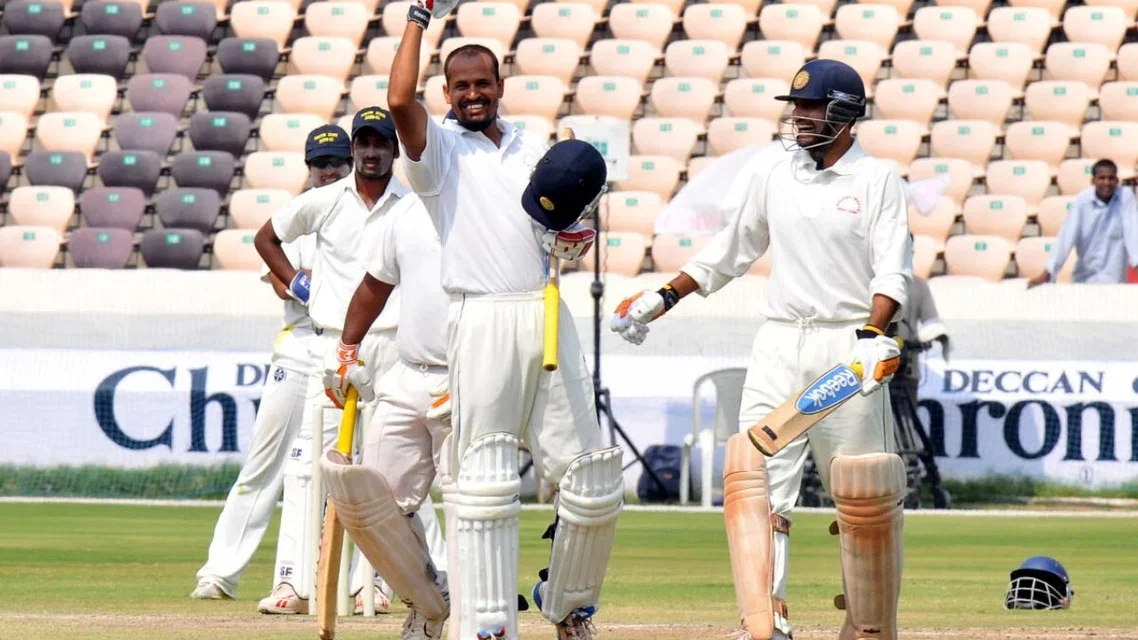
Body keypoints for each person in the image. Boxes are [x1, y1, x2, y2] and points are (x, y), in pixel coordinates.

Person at [611, 59, 912, 640]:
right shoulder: (775, 170)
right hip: (779, 339)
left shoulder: (876, 181)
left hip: (847, 349)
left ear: (845, 113)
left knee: (862, 493)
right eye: (795, 105)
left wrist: (874, 338)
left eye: (811, 106)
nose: (798, 116)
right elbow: (730, 251)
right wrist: (662, 297)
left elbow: (891, 272)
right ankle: (763, 622)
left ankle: (870, 626)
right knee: (753, 479)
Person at [387, 4, 624, 636]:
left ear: (499, 87)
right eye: (460, 86)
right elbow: (398, 97)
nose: (471, 95)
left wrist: (572, 237)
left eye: (482, 84)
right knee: (484, 483)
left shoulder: (532, 145)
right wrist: (418, 17)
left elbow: (556, 223)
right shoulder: (435, 154)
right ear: (447, 93)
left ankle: (568, 604)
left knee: (593, 477)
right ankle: (487, 623)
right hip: (481, 317)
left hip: (545, 310)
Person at [253, 108, 446, 616]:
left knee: (392, 474)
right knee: (307, 469)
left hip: (398, 348)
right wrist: (296, 282)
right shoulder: (323, 201)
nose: (373, 151)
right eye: (365, 142)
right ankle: (294, 585)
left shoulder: (416, 204)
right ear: (354, 148)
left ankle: (384, 583)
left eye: (383, 142)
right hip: (334, 345)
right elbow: (265, 238)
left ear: (395, 149)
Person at [190, 125, 353, 605]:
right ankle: (219, 573)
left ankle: (391, 580)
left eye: (337, 161)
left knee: (368, 467)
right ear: (308, 168)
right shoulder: (298, 214)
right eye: (320, 163)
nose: (329, 170)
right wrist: (313, 287)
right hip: (301, 344)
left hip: (352, 347)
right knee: (266, 465)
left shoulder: (365, 212)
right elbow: (281, 279)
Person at [318, 139, 455, 639]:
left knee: (470, 506)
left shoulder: (480, 203)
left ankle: (475, 615)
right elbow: (374, 286)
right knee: (375, 504)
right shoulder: (404, 214)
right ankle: (428, 601)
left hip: (465, 377)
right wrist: (347, 351)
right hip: (408, 370)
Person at [1027, 159, 1138, 288]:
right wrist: (1049, 272)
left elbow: (1133, 232)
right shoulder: (1082, 201)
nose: (1106, 182)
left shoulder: (1125, 198)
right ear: (1093, 181)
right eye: (1102, 178)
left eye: (1111, 178)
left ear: (1117, 181)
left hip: (1114, 280)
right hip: (1084, 279)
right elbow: (1066, 237)